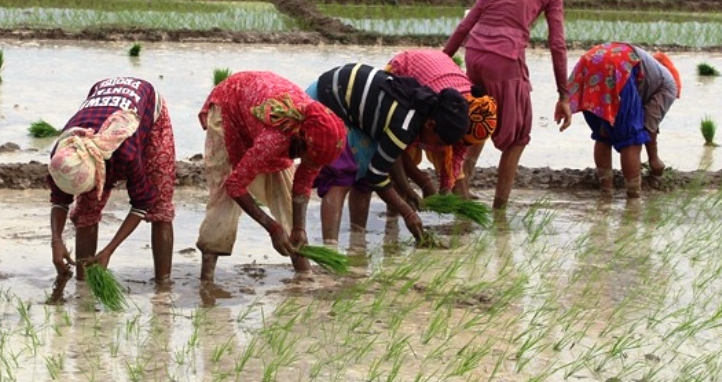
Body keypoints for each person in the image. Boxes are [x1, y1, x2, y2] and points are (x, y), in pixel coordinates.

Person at [442, 0, 570, 209]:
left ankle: (461, 189)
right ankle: (500, 208)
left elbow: (466, 25)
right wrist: (563, 94)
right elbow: (557, 44)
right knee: (518, 137)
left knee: (479, 115)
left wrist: (443, 60)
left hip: (475, 53)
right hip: (505, 59)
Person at [196, 72, 346, 282]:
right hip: (230, 106)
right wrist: (272, 227)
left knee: (285, 194)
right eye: (310, 159)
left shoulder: (315, 136)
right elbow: (235, 185)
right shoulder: (275, 139)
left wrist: (299, 228)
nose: (312, 165)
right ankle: (207, 279)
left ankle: (304, 275)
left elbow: (302, 184)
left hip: (260, 112)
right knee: (224, 197)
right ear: (302, 141)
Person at [307, 63, 470, 244]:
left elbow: (392, 155)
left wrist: (409, 190)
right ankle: (330, 248)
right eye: (438, 142)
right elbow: (377, 175)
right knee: (341, 176)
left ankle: (357, 241)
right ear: (430, 125)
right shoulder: (406, 124)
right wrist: (407, 212)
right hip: (326, 99)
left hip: (349, 103)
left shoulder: (423, 106)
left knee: (363, 178)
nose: (436, 149)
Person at [48, 77, 175, 282]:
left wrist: (109, 250)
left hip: (149, 107)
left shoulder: (127, 153)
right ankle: (84, 282)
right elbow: (59, 200)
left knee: (160, 199)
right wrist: (56, 241)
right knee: (87, 208)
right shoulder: (63, 155)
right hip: (101, 96)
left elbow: (142, 204)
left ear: (99, 170)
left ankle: (163, 283)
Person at [566, 43, 681, 198]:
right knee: (632, 139)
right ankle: (633, 199)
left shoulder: (650, 68)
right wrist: (655, 160)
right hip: (619, 65)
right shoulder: (669, 86)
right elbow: (649, 126)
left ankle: (606, 192)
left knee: (604, 132)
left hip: (590, 60)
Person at [385, 50, 497, 203]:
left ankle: (463, 215)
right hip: (406, 71)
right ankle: (393, 218)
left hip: (438, 73)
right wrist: (423, 182)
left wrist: (445, 187)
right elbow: (398, 149)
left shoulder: (468, 111)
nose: (462, 145)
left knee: (450, 161)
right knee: (402, 152)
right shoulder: (437, 107)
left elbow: (457, 155)